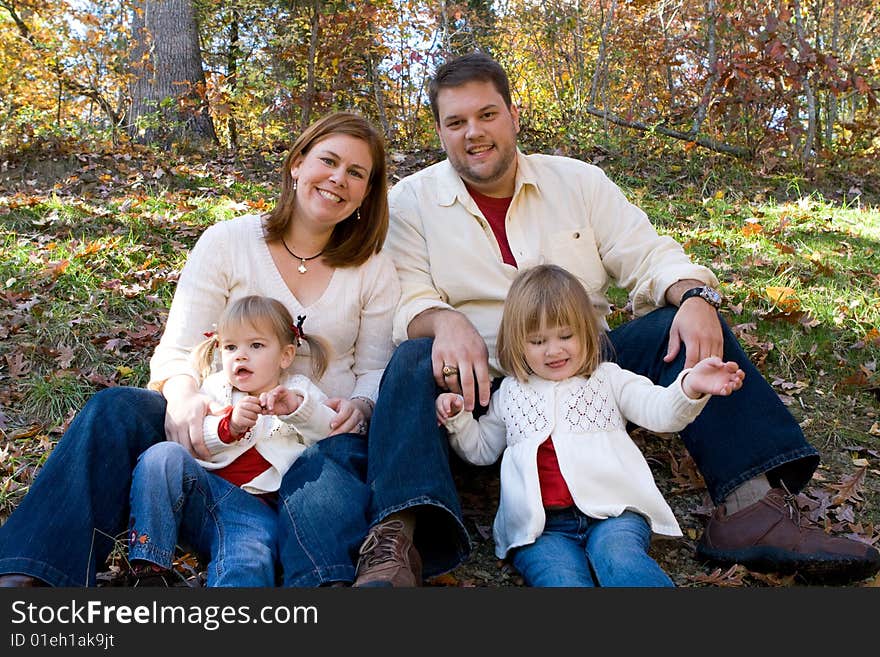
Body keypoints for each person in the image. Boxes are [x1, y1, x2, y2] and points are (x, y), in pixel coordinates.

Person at [350, 51, 880, 586]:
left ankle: (750, 512)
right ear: (440, 131)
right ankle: (398, 539)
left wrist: (695, 295)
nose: (473, 133)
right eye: (456, 122)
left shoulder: (577, 182)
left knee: (684, 318)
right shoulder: (412, 202)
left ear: (513, 114)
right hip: (478, 380)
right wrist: (442, 319)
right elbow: (406, 294)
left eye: (486, 115)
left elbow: (647, 254)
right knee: (414, 356)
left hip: (588, 366)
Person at [0, 111, 400, 587]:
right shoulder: (229, 242)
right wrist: (186, 396)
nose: (339, 178)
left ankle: (313, 584)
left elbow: (376, 368)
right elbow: (178, 349)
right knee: (115, 410)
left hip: (314, 436)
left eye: (357, 173)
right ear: (296, 164)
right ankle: (33, 576)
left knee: (319, 474)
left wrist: (360, 404)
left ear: (367, 193)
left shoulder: (372, 268)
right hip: (217, 427)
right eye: (328, 161)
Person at [436, 264, 746, 587]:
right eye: (538, 340)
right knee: (561, 579)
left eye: (566, 335)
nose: (554, 350)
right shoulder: (510, 395)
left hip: (614, 514)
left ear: (586, 331)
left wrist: (689, 386)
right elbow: (483, 449)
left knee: (620, 561)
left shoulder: (608, 379)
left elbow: (660, 410)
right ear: (517, 343)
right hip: (542, 529)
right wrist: (458, 419)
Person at [128, 295, 338, 587]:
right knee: (162, 456)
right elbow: (196, 439)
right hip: (205, 493)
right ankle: (149, 566)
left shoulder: (297, 392)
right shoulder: (215, 389)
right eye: (230, 347)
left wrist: (297, 410)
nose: (240, 355)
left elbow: (331, 433)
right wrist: (230, 427)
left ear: (286, 355)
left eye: (256, 346)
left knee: (245, 561)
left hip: (256, 512)